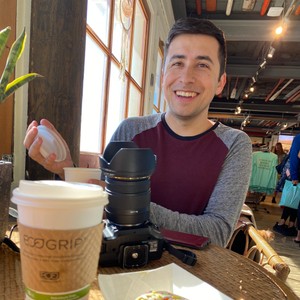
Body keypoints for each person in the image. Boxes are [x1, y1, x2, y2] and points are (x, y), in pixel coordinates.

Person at [23, 18, 252, 247]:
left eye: (202, 65)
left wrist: (124, 203)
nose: (186, 77)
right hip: (122, 265)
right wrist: (66, 169)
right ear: (163, 74)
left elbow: (217, 233)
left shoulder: (234, 144)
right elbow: (100, 202)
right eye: (177, 63)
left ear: (220, 82)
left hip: (192, 273)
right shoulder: (131, 130)